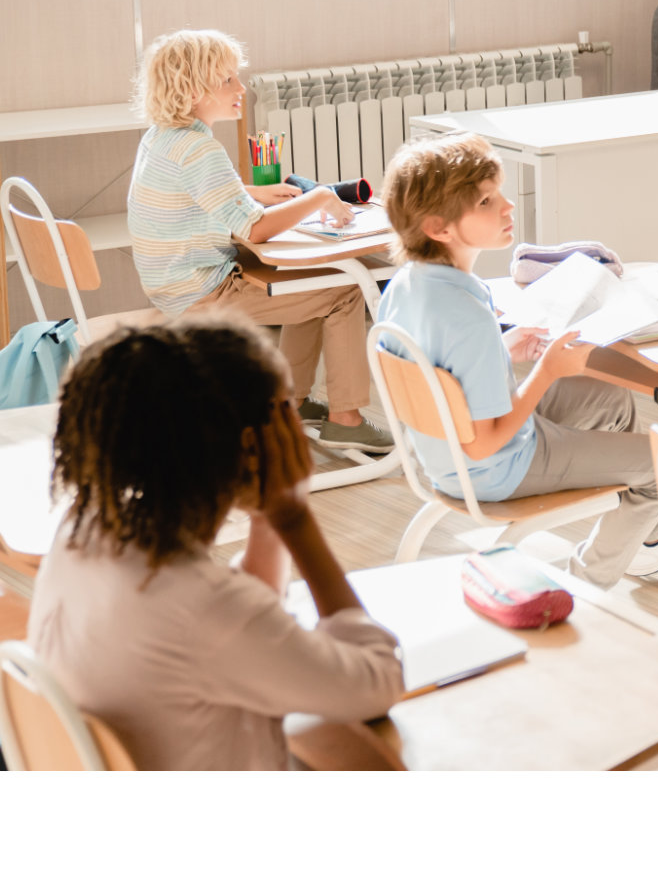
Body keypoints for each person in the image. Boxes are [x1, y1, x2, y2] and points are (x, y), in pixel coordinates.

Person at [26, 317, 403, 770]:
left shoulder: (85, 529)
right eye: (287, 409)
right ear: (252, 444)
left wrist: (270, 517)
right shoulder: (201, 607)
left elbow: (241, 629)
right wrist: (295, 519)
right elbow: (376, 687)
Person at [374, 131, 658, 587]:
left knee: (609, 399)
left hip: (442, 459)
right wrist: (545, 372)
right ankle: (591, 582)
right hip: (497, 468)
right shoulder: (468, 317)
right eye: (487, 202)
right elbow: (485, 443)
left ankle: (640, 523)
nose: (507, 207)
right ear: (438, 228)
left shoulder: (408, 284)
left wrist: (504, 350)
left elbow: (440, 371)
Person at [126, 28, 392, 453]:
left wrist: (248, 191)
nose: (241, 88)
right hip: (202, 295)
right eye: (227, 79)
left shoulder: (162, 137)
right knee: (344, 288)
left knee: (311, 281)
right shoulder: (199, 149)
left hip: (171, 284)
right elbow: (255, 230)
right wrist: (320, 197)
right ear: (194, 90)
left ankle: (290, 402)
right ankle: (345, 419)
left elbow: (193, 190)